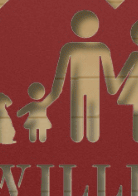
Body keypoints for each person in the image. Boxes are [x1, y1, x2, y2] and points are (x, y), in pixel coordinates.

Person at [45, 10, 118, 143]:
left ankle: (83, 141)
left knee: (80, 117)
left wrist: (53, 95)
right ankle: (84, 141)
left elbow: (60, 77)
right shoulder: (100, 49)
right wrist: (113, 88)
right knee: (89, 117)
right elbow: (110, 78)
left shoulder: (70, 48)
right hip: (89, 90)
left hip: (80, 91)